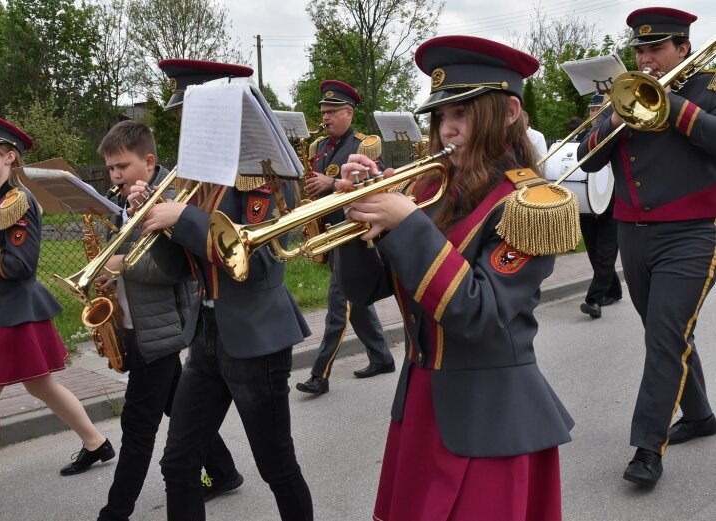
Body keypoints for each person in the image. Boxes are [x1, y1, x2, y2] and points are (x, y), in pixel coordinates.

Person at [336, 36, 574, 520]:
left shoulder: (533, 205)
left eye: (462, 114)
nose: (448, 130)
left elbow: (478, 312)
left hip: (491, 419)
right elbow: (363, 292)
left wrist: (407, 225)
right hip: (422, 407)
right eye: (441, 117)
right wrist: (353, 218)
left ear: (508, 111)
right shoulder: (428, 189)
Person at [134, 60, 314, 520]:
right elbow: (180, 268)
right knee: (178, 464)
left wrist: (182, 220)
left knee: (276, 466)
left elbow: (251, 263)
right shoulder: (193, 180)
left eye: (192, 117)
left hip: (255, 336)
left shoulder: (267, 176)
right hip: (206, 332)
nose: (184, 128)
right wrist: (156, 224)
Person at [0, 115, 114, 520]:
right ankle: (95, 442)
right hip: (7, 307)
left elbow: (22, 264)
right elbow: (3, 264)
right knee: (41, 386)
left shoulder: (17, 202)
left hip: (16, 314)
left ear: (9, 157)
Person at [578, 7, 716, 487]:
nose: (645, 57)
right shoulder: (623, 95)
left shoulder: (709, 88)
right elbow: (588, 161)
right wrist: (609, 117)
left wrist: (671, 104)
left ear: (683, 48)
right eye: (639, 49)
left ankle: (646, 448)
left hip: (695, 230)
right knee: (666, 330)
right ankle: (698, 414)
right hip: (633, 232)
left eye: (655, 47)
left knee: (663, 334)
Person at [94, 119, 239, 520]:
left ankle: (116, 510)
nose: (115, 175)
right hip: (136, 322)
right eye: (110, 169)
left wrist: (123, 265)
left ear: (149, 161)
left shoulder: (172, 199)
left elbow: (176, 269)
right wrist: (107, 272)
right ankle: (224, 471)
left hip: (158, 329)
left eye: (122, 166)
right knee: (176, 404)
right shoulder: (125, 202)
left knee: (138, 427)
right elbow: (122, 255)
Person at [295, 79, 394, 397]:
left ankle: (319, 374)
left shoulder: (365, 145)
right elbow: (314, 185)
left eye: (332, 112)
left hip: (355, 234)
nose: (325, 118)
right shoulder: (317, 148)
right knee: (358, 300)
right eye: (323, 112)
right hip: (329, 232)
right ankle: (382, 357)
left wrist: (333, 183)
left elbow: (375, 186)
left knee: (339, 306)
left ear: (349, 113)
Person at [576, 94, 623, 319]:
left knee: (605, 253)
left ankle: (593, 300)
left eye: (598, 110)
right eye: (592, 110)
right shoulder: (585, 135)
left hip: (613, 201)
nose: (594, 114)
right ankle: (613, 290)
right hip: (588, 201)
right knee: (595, 253)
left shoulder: (615, 128)